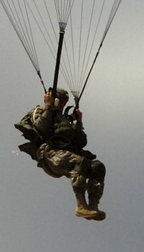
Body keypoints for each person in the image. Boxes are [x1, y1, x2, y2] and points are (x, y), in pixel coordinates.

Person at [15, 88, 106, 221]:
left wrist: (78, 122)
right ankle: (81, 205)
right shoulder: (39, 111)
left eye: (65, 101)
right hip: (50, 153)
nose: (62, 104)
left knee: (98, 166)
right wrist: (48, 106)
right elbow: (41, 127)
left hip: (66, 153)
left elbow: (81, 142)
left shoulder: (65, 120)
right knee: (79, 162)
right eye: (60, 101)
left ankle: (92, 205)